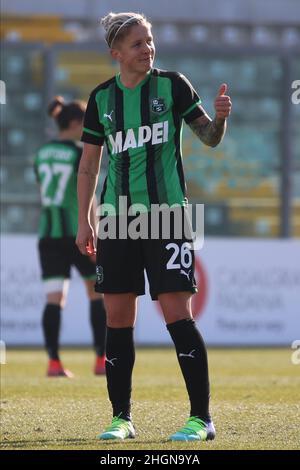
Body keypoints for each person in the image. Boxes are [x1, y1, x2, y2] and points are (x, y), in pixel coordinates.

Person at [76, 12, 231, 441]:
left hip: (167, 217)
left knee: (178, 315)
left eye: (150, 40)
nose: (148, 48)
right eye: (138, 44)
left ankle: (201, 419)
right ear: (116, 53)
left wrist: (219, 119)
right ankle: (121, 418)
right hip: (117, 220)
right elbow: (88, 167)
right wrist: (85, 220)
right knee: (118, 319)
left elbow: (209, 138)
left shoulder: (173, 85)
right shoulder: (101, 98)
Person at [35, 96, 106, 377]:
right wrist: (96, 233)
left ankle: (54, 363)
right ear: (76, 123)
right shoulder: (80, 152)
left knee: (54, 299)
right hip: (79, 233)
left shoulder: (41, 153)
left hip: (47, 235)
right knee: (95, 294)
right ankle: (101, 360)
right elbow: (88, 197)